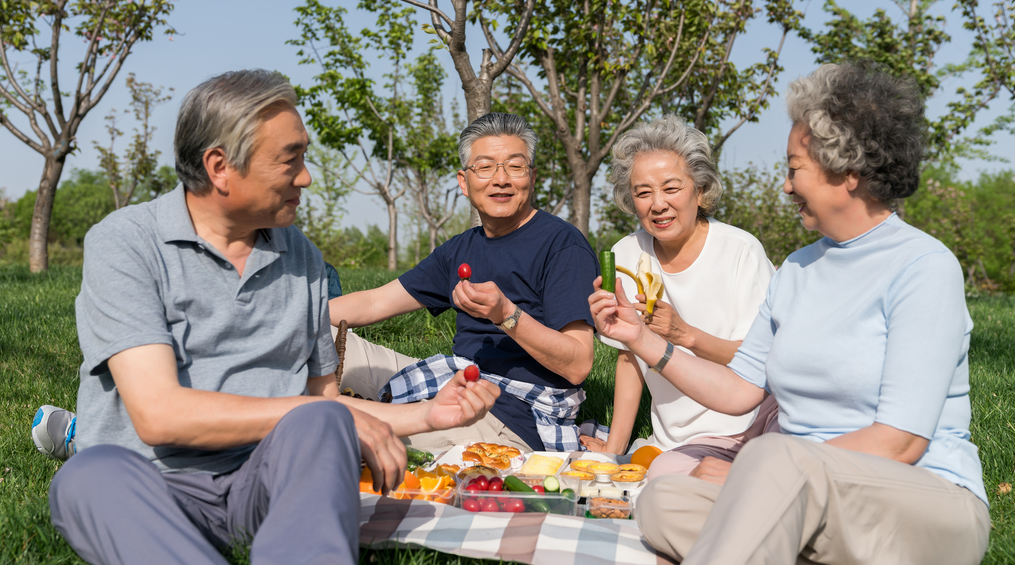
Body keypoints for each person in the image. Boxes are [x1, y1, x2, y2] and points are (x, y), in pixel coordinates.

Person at [45, 70, 500, 565]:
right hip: (150, 483)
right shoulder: (126, 242)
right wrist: (314, 413)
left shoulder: (301, 256)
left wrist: (428, 415)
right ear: (219, 166)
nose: (305, 176)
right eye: (291, 159)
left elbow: (323, 407)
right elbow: (158, 415)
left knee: (322, 421)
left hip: (265, 486)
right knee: (86, 477)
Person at [589, 62, 990, 565]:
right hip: (800, 490)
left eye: (794, 168)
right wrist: (642, 339)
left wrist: (751, 475)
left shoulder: (924, 266)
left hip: (921, 499)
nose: (784, 184)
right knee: (665, 501)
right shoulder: (798, 270)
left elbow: (900, 442)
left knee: (768, 462)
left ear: (847, 171)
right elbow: (739, 391)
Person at [330, 112, 599, 453]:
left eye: (514, 167)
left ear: (532, 177)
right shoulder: (461, 247)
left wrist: (506, 315)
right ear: (463, 181)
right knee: (313, 338)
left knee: (349, 433)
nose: (500, 180)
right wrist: (290, 318)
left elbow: (577, 364)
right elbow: (374, 303)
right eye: (485, 167)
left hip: (509, 415)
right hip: (454, 381)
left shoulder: (561, 244)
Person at [580, 115, 779, 477]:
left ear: (699, 191)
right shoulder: (626, 255)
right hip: (676, 438)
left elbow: (762, 363)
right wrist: (612, 451)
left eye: (671, 188)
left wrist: (685, 335)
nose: (657, 204)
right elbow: (629, 360)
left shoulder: (741, 251)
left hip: (747, 425)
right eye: (643, 192)